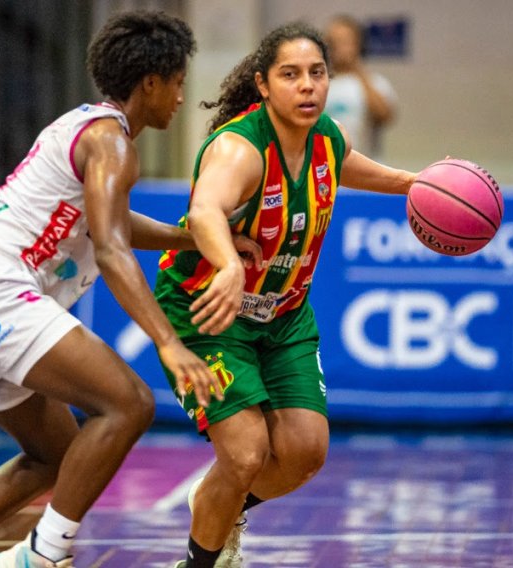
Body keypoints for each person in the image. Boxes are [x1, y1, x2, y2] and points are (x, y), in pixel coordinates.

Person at [0, 10, 260, 568]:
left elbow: (112, 224)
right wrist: (167, 342)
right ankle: (44, 554)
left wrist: (194, 240)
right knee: (128, 404)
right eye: (179, 82)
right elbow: (110, 248)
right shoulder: (113, 143)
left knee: (57, 454)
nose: (183, 96)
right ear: (151, 83)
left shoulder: (89, 127)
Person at [154, 22, 420, 568]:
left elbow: (373, 174)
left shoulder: (326, 139)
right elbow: (205, 209)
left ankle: (219, 504)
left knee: (304, 453)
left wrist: (428, 185)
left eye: (316, 73)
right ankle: (200, 560)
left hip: (283, 316)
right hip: (210, 311)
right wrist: (227, 263)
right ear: (263, 84)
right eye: (290, 75)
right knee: (246, 452)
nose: (307, 86)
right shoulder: (238, 149)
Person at [323, 14, 397, 161]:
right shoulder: (320, 83)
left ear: (358, 44)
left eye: (345, 41)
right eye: (334, 42)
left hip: (367, 169)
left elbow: (385, 115)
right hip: (328, 170)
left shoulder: (375, 82)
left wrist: (357, 70)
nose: (339, 48)